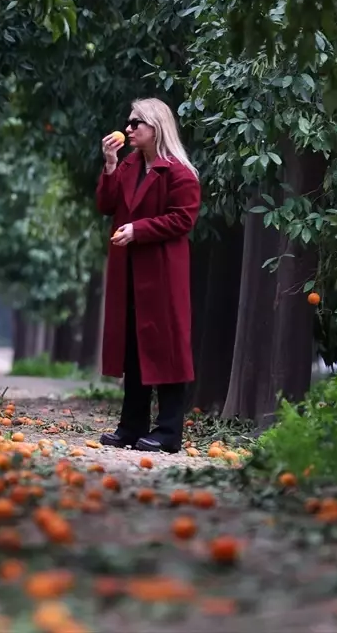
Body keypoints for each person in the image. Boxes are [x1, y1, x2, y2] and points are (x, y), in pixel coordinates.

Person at [95, 97, 201, 453]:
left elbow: (183, 219)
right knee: (133, 349)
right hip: (129, 273)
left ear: (156, 127)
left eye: (135, 123)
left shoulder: (179, 173)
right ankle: (131, 426)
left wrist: (138, 230)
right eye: (128, 123)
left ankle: (169, 432)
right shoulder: (128, 165)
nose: (128, 129)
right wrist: (109, 165)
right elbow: (106, 205)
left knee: (167, 348)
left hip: (162, 274)